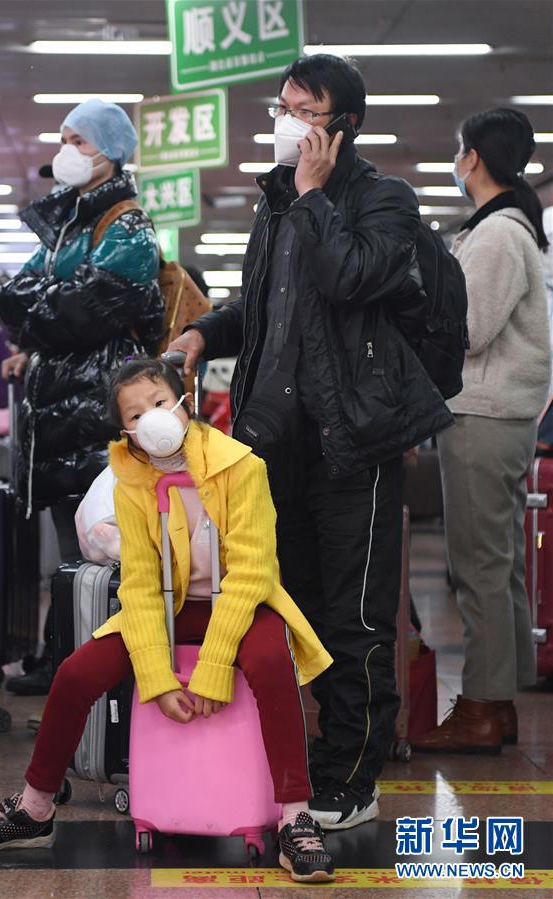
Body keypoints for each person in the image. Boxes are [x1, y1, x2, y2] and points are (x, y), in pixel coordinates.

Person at [168, 53, 452, 830]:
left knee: (353, 616)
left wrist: (313, 195)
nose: (286, 122)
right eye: (282, 106)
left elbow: (347, 276)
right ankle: (309, 755)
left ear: (344, 125)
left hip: (351, 440)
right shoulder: (276, 202)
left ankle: (351, 777)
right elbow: (265, 305)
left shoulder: (382, 199)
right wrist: (202, 331)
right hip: (274, 445)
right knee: (290, 610)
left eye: (305, 111)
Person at [0, 357, 336, 884]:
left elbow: (253, 573)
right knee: (76, 673)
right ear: (125, 431)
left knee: (272, 662)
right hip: (167, 605)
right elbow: (137, 584)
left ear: (185, 403)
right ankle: (34, 807)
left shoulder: (242, 466)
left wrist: (212, 669)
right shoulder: (131, 482)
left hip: (242, 602)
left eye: (159, 403)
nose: (150, 418)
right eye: (134, 415)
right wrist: (157, 680)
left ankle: (296, 818)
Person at [0, 99, 164, 695]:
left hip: (96, 415)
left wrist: (45, 306)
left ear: (112, 150)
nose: (67, 150)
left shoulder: (127, 226)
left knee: (100, 545)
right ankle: (64, 656)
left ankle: (97, 668)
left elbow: (84, 310)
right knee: (70, 552)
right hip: (58, 418)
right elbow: (9, 295)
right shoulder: (65, 224)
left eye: (80, 140)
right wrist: (50, 303)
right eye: (64, 138)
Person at [411, 108, 550, 755]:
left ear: (472, 158)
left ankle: (481, 708)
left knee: (478, 566)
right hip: (502, 415)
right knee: (499, 564)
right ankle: (501, 699)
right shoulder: (506, 228)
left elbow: (468, 331)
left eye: (458, 151)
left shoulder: (496, 235)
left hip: (484, 415)